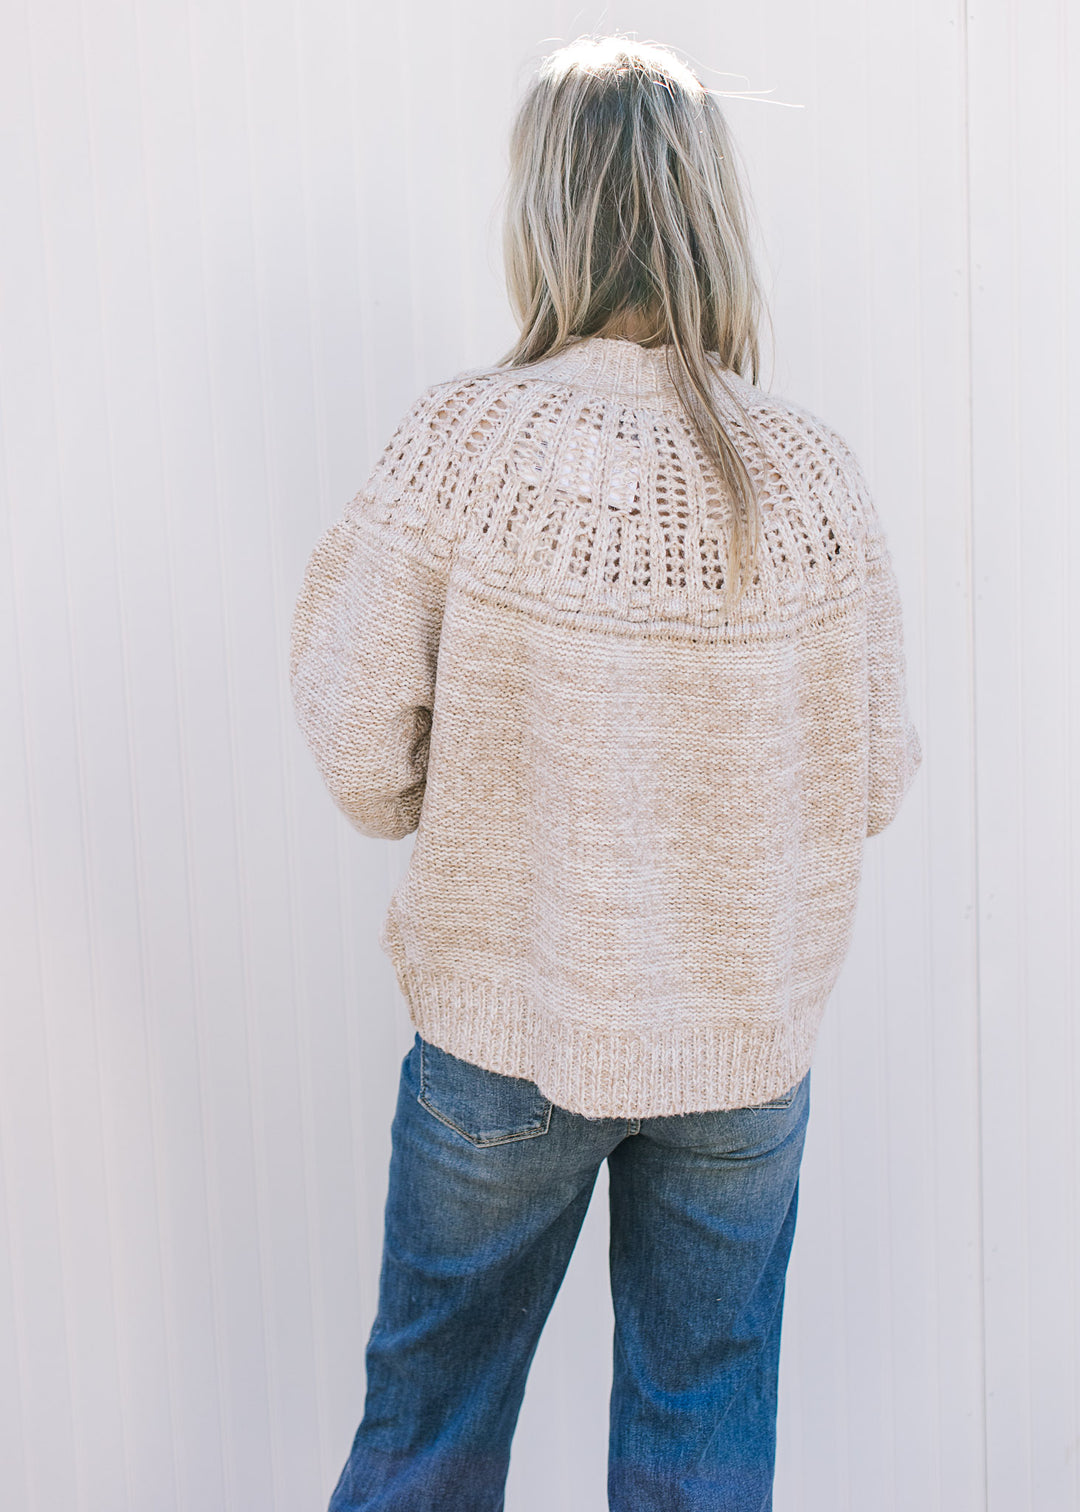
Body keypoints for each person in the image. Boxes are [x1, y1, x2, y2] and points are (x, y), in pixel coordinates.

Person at [290, 34, 922, 1512]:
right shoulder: (813, 475)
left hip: (504, 1036)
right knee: (702, 1449)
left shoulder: (460, 447)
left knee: (427, 1438)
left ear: (545, 214)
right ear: (714, 212)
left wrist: (497, 779)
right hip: (742, 1057)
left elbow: (358, 755)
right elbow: (873, 778)